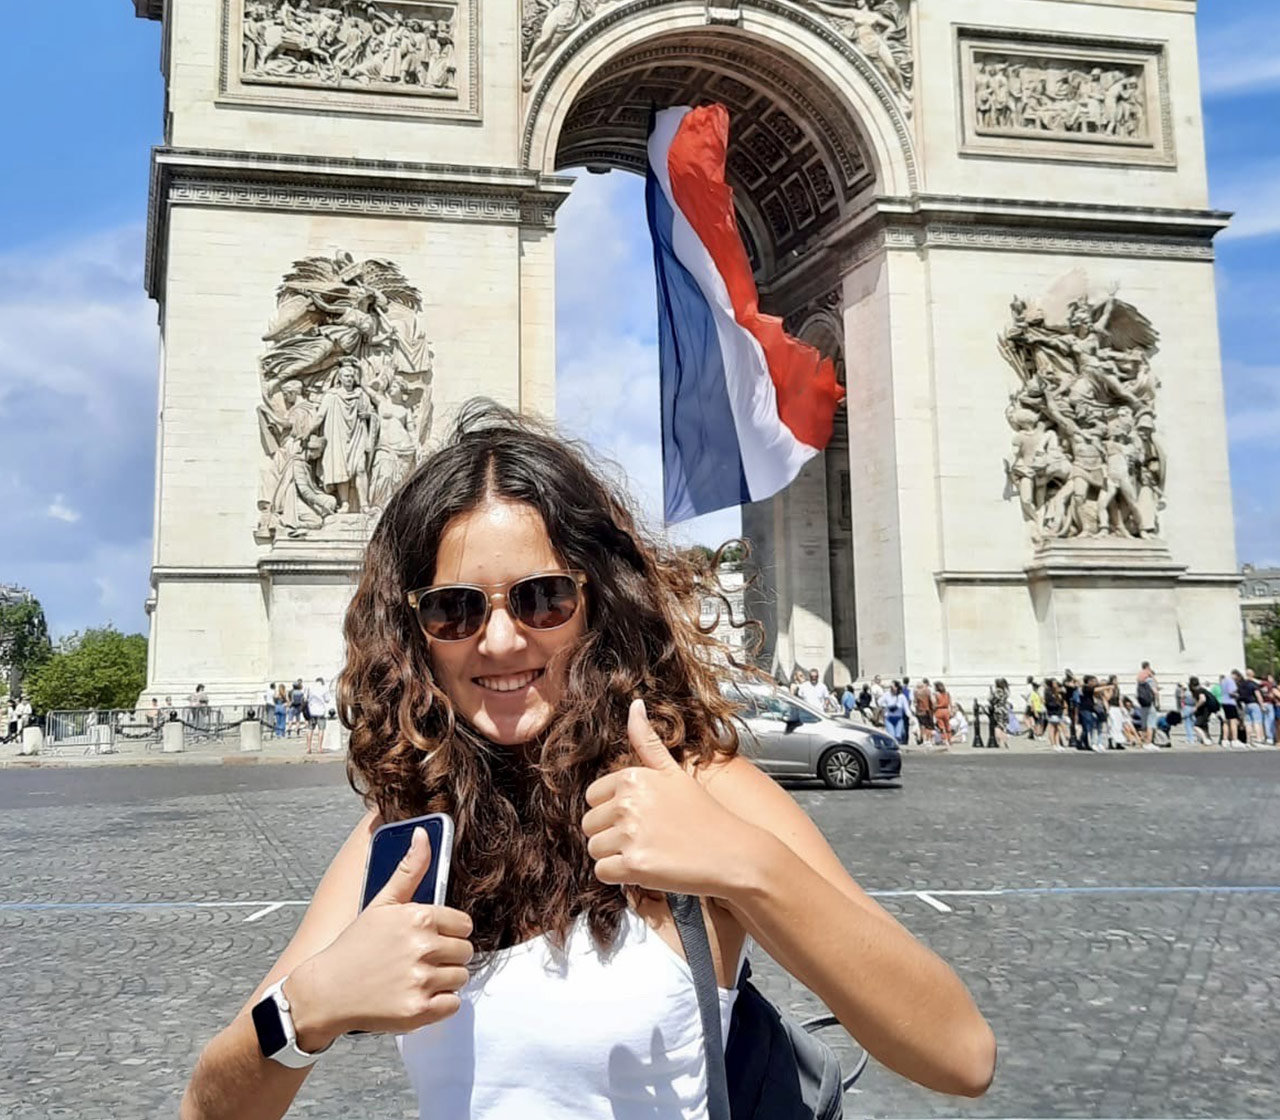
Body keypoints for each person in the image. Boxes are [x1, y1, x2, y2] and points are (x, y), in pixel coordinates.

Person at [179, 403, 995, 1119]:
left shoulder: (702, 790)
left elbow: (959, 1054)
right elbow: (207, 1112)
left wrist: (746, 865)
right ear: (414, 631)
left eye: (542, 598)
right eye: (455, 609)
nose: (500, 641)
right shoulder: (405, 837)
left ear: (598, 600)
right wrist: (307, 1009)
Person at [1235, 668, 1263, 746]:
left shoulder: (1241, 685)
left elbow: (1238, 695)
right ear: (1252, 675)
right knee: (1257, 721)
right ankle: (1258, 738)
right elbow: (1258, 695)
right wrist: (1262, 705)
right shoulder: (1253, 684)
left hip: (1246, 704)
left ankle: (1248, 739)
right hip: (1254, 704)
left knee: (1248, 723)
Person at [1135, 662, 1160, 750]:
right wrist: (1158, 702)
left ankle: (1142, 742)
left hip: (1143, 704)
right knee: (1151, 723)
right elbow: (1155, 692)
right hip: (1150, 704)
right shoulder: (1150, 680)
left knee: (1144, 724)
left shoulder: (1140, 681)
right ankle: (1148, 742)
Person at [305, 678, 332, 754]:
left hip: (311, 712)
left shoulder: (310, 688)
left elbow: (306, 698)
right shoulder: (324, 688)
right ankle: (319, 748)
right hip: (320, 712)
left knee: (310, 729)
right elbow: (327, 699)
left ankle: (308, 748)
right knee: (321, 730)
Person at [1217, 670, 1241, 747]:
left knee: (1225, 722)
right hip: (1230, 703)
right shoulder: (1231, 681)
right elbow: (1231, 692)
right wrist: (1237, 695)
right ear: (1235, 675)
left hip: (1223, 702)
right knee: (1233, 721)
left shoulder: (1223, 681)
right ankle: (1234, 740)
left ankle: (1225, 739)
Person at [1043, 678, 1067, 751]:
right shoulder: (1048, 692)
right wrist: (1056, 702)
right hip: (1052, 712)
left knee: (1057, 729)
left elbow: (1063, 701)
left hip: (1058, 712)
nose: (1056, 685)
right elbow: (1048, 703)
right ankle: (1053, 744)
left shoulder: (1058, 692)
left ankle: (1058, 744)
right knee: (1052, 728)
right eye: (1054, 683)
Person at [913, 679, 935, 746]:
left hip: (920, 711)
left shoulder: (916, 692)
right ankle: (929, 740)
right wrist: (933, 709)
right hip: (928, 710)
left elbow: (915, 703)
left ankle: (924, 740)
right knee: (929, 726)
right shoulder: (928, 691)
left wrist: (916, 710)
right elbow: (933, 701)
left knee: (922, 726)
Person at [934, 681, 953, 746]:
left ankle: (945, 740)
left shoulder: (936, 694)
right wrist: (951, 711)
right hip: (946, 710)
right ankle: (949, 739)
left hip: (939, 711)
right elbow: (950, 703)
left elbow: (934, 704)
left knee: (941, 727)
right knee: (948, 726)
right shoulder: (947, 693)